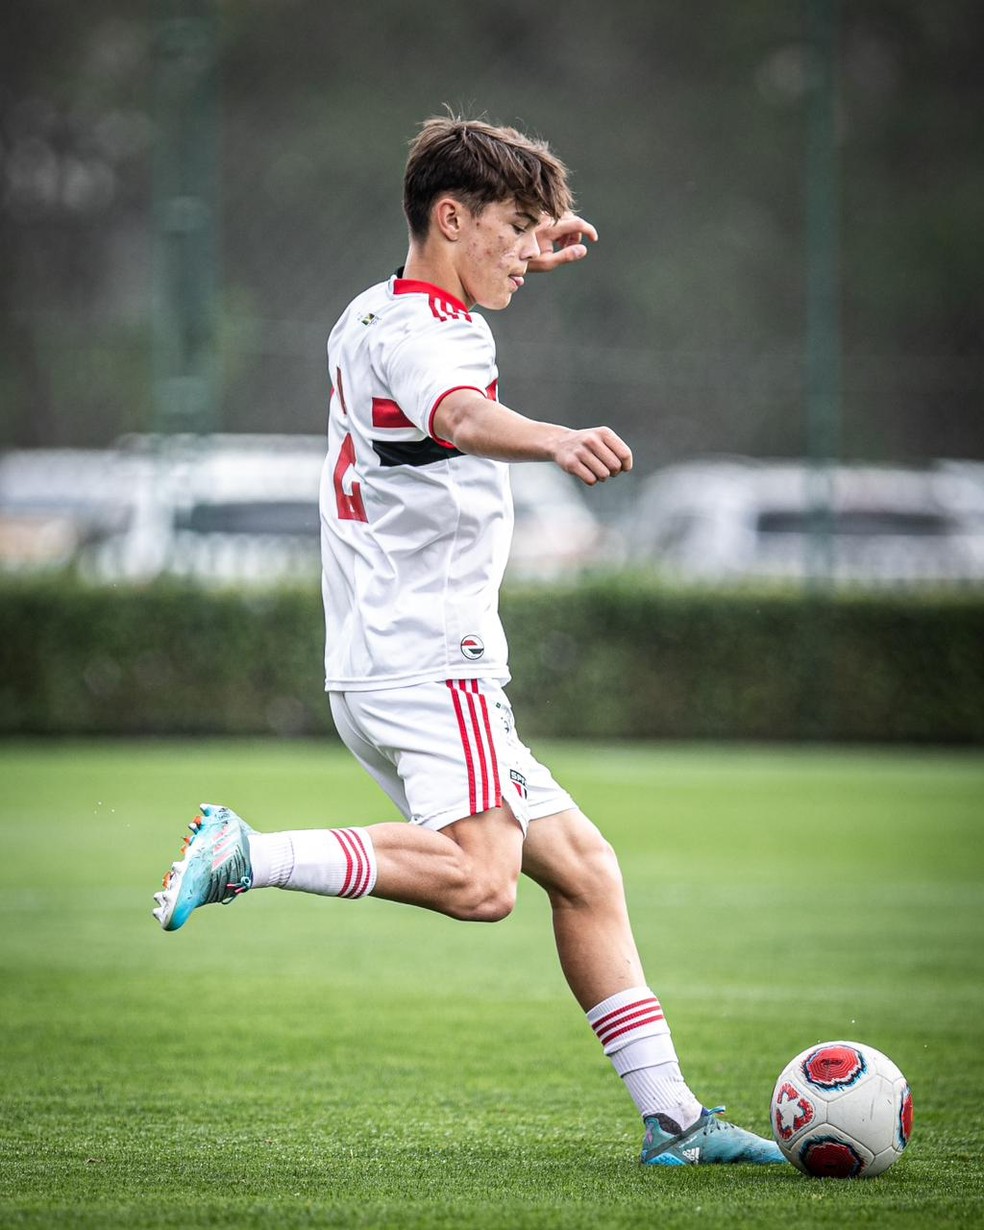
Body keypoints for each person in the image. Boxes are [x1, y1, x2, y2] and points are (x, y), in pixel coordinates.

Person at [152, 115, 783, 1168]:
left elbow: (439, 364)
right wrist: (556, 437)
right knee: (485, 884)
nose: (529, 257)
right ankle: (248, 853)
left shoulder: (370, 312)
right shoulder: (432, 339)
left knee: (582, 868)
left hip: (382, 660)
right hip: (431, 660)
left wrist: (527, 242)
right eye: (513, 230)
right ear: (452, 218)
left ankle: (675, 1122)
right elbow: (454, 415)